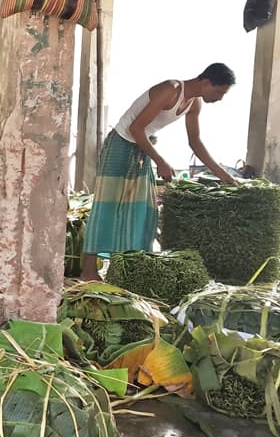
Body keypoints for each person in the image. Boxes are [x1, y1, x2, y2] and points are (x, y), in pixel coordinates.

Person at [81, 63, 238, 281]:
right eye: (219, 92)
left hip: (142, 148)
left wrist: (225, 176)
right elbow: (136, 128)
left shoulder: (194, 104)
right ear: (206, 82)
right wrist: (161, 162)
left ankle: (125, 271)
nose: (220, 98)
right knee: (107, 206)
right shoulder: (171, 89)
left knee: (142, 211)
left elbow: (195, 143)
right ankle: (88, 271)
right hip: (121, 144)